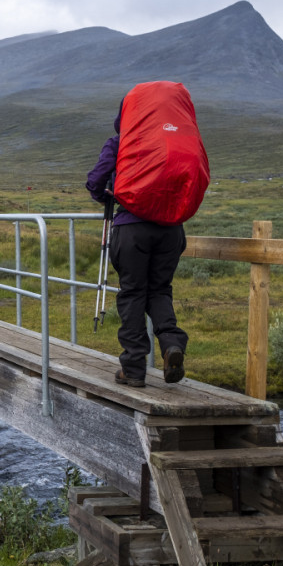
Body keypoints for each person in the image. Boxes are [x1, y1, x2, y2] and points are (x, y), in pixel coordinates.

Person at [86, 107, 189, 388]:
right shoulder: (173, 139)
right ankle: (171, 345)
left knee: (132, 294)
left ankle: (133, 369)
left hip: (133, 228)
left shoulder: (122, 141)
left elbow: (96, 179)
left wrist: (103, 193)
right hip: (171, 229)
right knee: (159, 290)